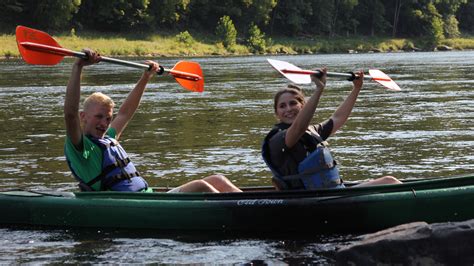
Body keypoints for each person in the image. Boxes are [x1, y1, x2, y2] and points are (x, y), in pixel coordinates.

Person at [64, 49, 241, 193]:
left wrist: (145, 78)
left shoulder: (108, 137)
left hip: (149, 196)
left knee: (219, 179)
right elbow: (69, 114)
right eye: (99, 117)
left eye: (108, 118)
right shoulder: (81, 146)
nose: (104, 123)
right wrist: (78, 66)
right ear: (83, 116)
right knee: (200, 187)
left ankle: (253, 205)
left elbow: (125, 113)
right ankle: (239, 214)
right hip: (131, 205)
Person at [262, 68, 401, 190]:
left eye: (293, 103)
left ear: (302, 106)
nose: (288, 109)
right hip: (309, 199)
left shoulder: (311, 131)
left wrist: (356, 88)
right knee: (390, 182)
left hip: (331, 192)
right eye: (282, 106)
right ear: (277, 113)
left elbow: (337, 118)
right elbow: (298, 128)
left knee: (382, 182)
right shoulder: (277, 139)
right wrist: (319, 89)